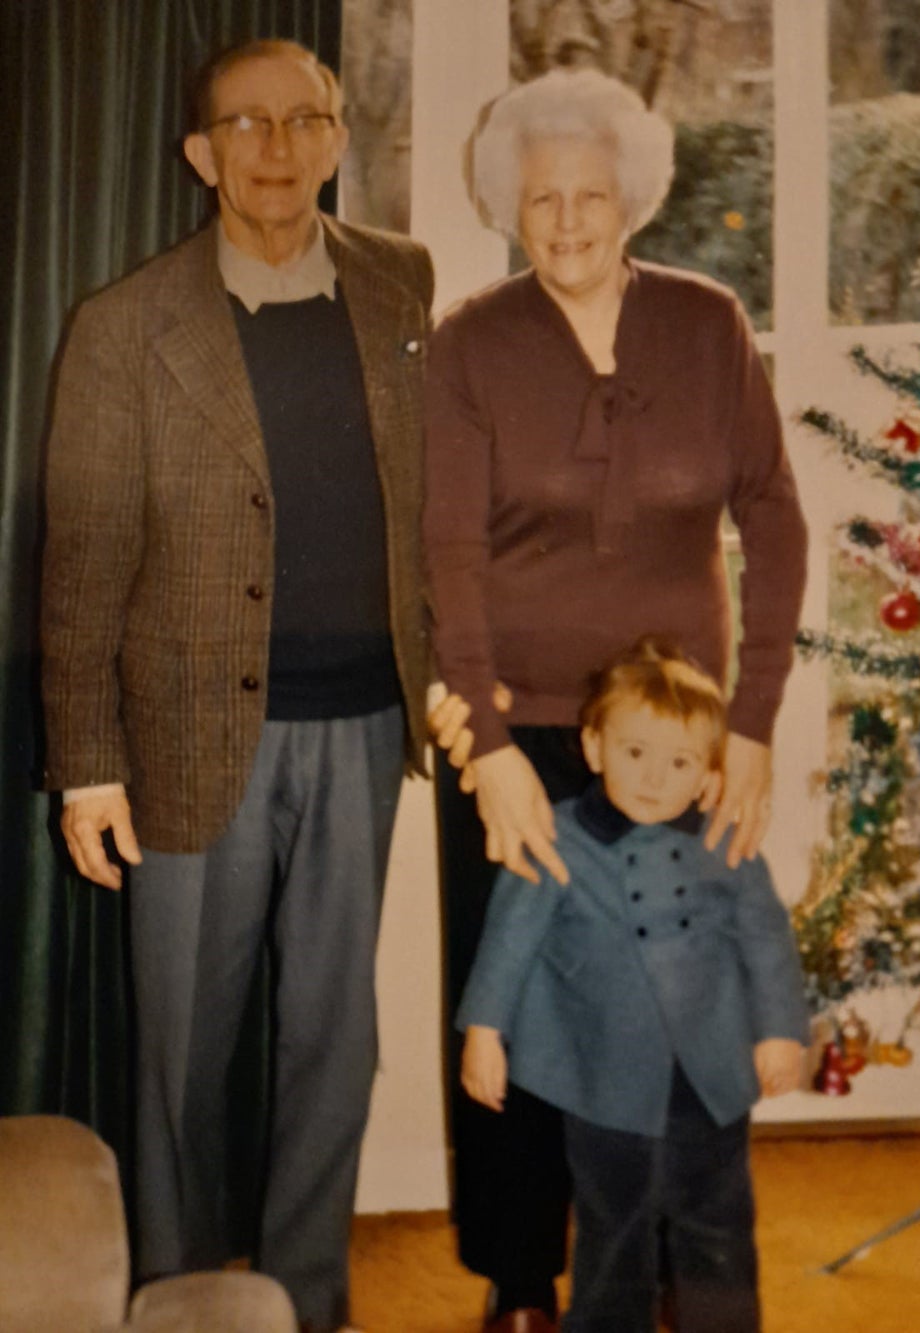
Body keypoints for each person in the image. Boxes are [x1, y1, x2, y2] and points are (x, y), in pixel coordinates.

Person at [40, 39, 432, 1333]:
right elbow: (84, 554)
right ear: (201, 154)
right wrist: (87, 758)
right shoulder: (123, 325)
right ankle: (185, 1295)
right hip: (189, 742)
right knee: (180, 1058)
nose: (275, 146)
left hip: (367, 725)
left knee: (335, 1043)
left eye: (303, 118)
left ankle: (308, 1301)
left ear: (336, 137)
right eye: (243, 125)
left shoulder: (403, 284)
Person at [423, 68, 807, 1332]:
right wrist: (485, 744)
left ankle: (653, 1265)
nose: (570, 219)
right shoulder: (474, 342)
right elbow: (451, 557)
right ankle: (522, 1273)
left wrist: (748, 725)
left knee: (674, 993)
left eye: (592, 194)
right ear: (510, 207)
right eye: (544, 198)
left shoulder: (706, 324)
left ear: (631, 200)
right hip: (525, 730)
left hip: (677, 733)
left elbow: (776, 523)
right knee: (517, 996)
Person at [457, 640, 810, 1333]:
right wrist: (484, 1032)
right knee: (611, 1223)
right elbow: (508, 941)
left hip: (710, 1076)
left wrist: (780, 1030)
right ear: (593, 746)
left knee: (717, 1222)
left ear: (709, 773)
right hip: (601, 1080)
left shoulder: (724, 840)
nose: (653, 777)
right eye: (634, 751)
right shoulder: (553, 837)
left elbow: (766, 937)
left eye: (680, 761)